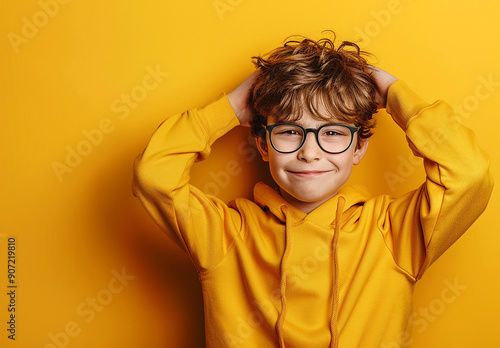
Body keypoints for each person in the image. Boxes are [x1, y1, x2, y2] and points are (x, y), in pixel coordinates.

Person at [132, 34, 493, 348]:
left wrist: (396, 95)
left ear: (358, 148)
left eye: (333, 133)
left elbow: (470, 173)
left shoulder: (393, 232)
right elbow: (154, 174)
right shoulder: (225, 233)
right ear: (262, 145)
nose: (310, 151)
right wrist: (230, 107)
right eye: (289, 131)